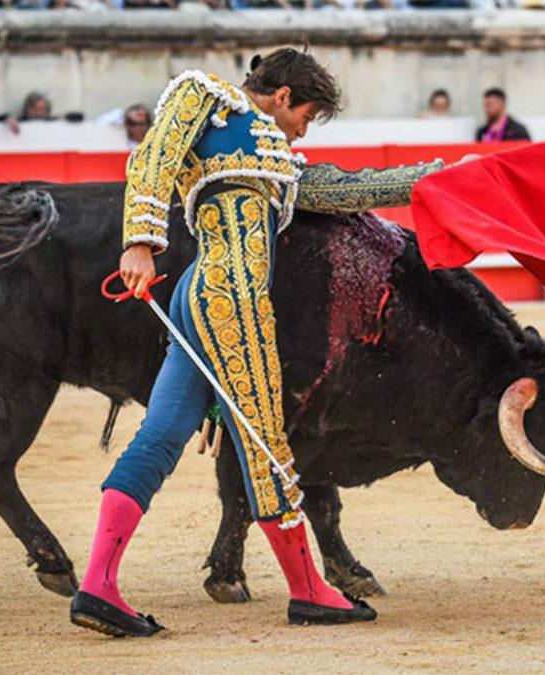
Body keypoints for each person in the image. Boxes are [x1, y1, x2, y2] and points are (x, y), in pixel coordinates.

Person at [69, 48, 458, 638]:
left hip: (205, 296)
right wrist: (140, 241)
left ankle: (98, 584)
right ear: (282, 96)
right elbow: (154, 155)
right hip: (231, 294)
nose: (303, 129)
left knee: (165, 432)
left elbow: (356, 189)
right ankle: (308, 591)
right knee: (266, 443)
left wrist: (445, 176)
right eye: (305, 115)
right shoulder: (204, 95)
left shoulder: (282, 162)